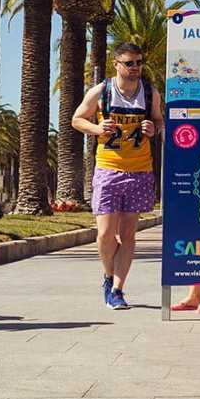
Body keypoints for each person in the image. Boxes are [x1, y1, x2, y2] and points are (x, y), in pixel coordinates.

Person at [72, 42, 162, 310]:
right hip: (108, 169)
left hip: (139, 170)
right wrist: (98, 129)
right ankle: (107, 276)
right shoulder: (102, 91)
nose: (135, 68)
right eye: (129, 63)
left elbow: (160, 121)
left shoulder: (149, 93)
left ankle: (117, 290)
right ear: (117, 64)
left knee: (129, 234)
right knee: (105, 234)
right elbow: (77, 119)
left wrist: (152, 128)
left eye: (139, 62)